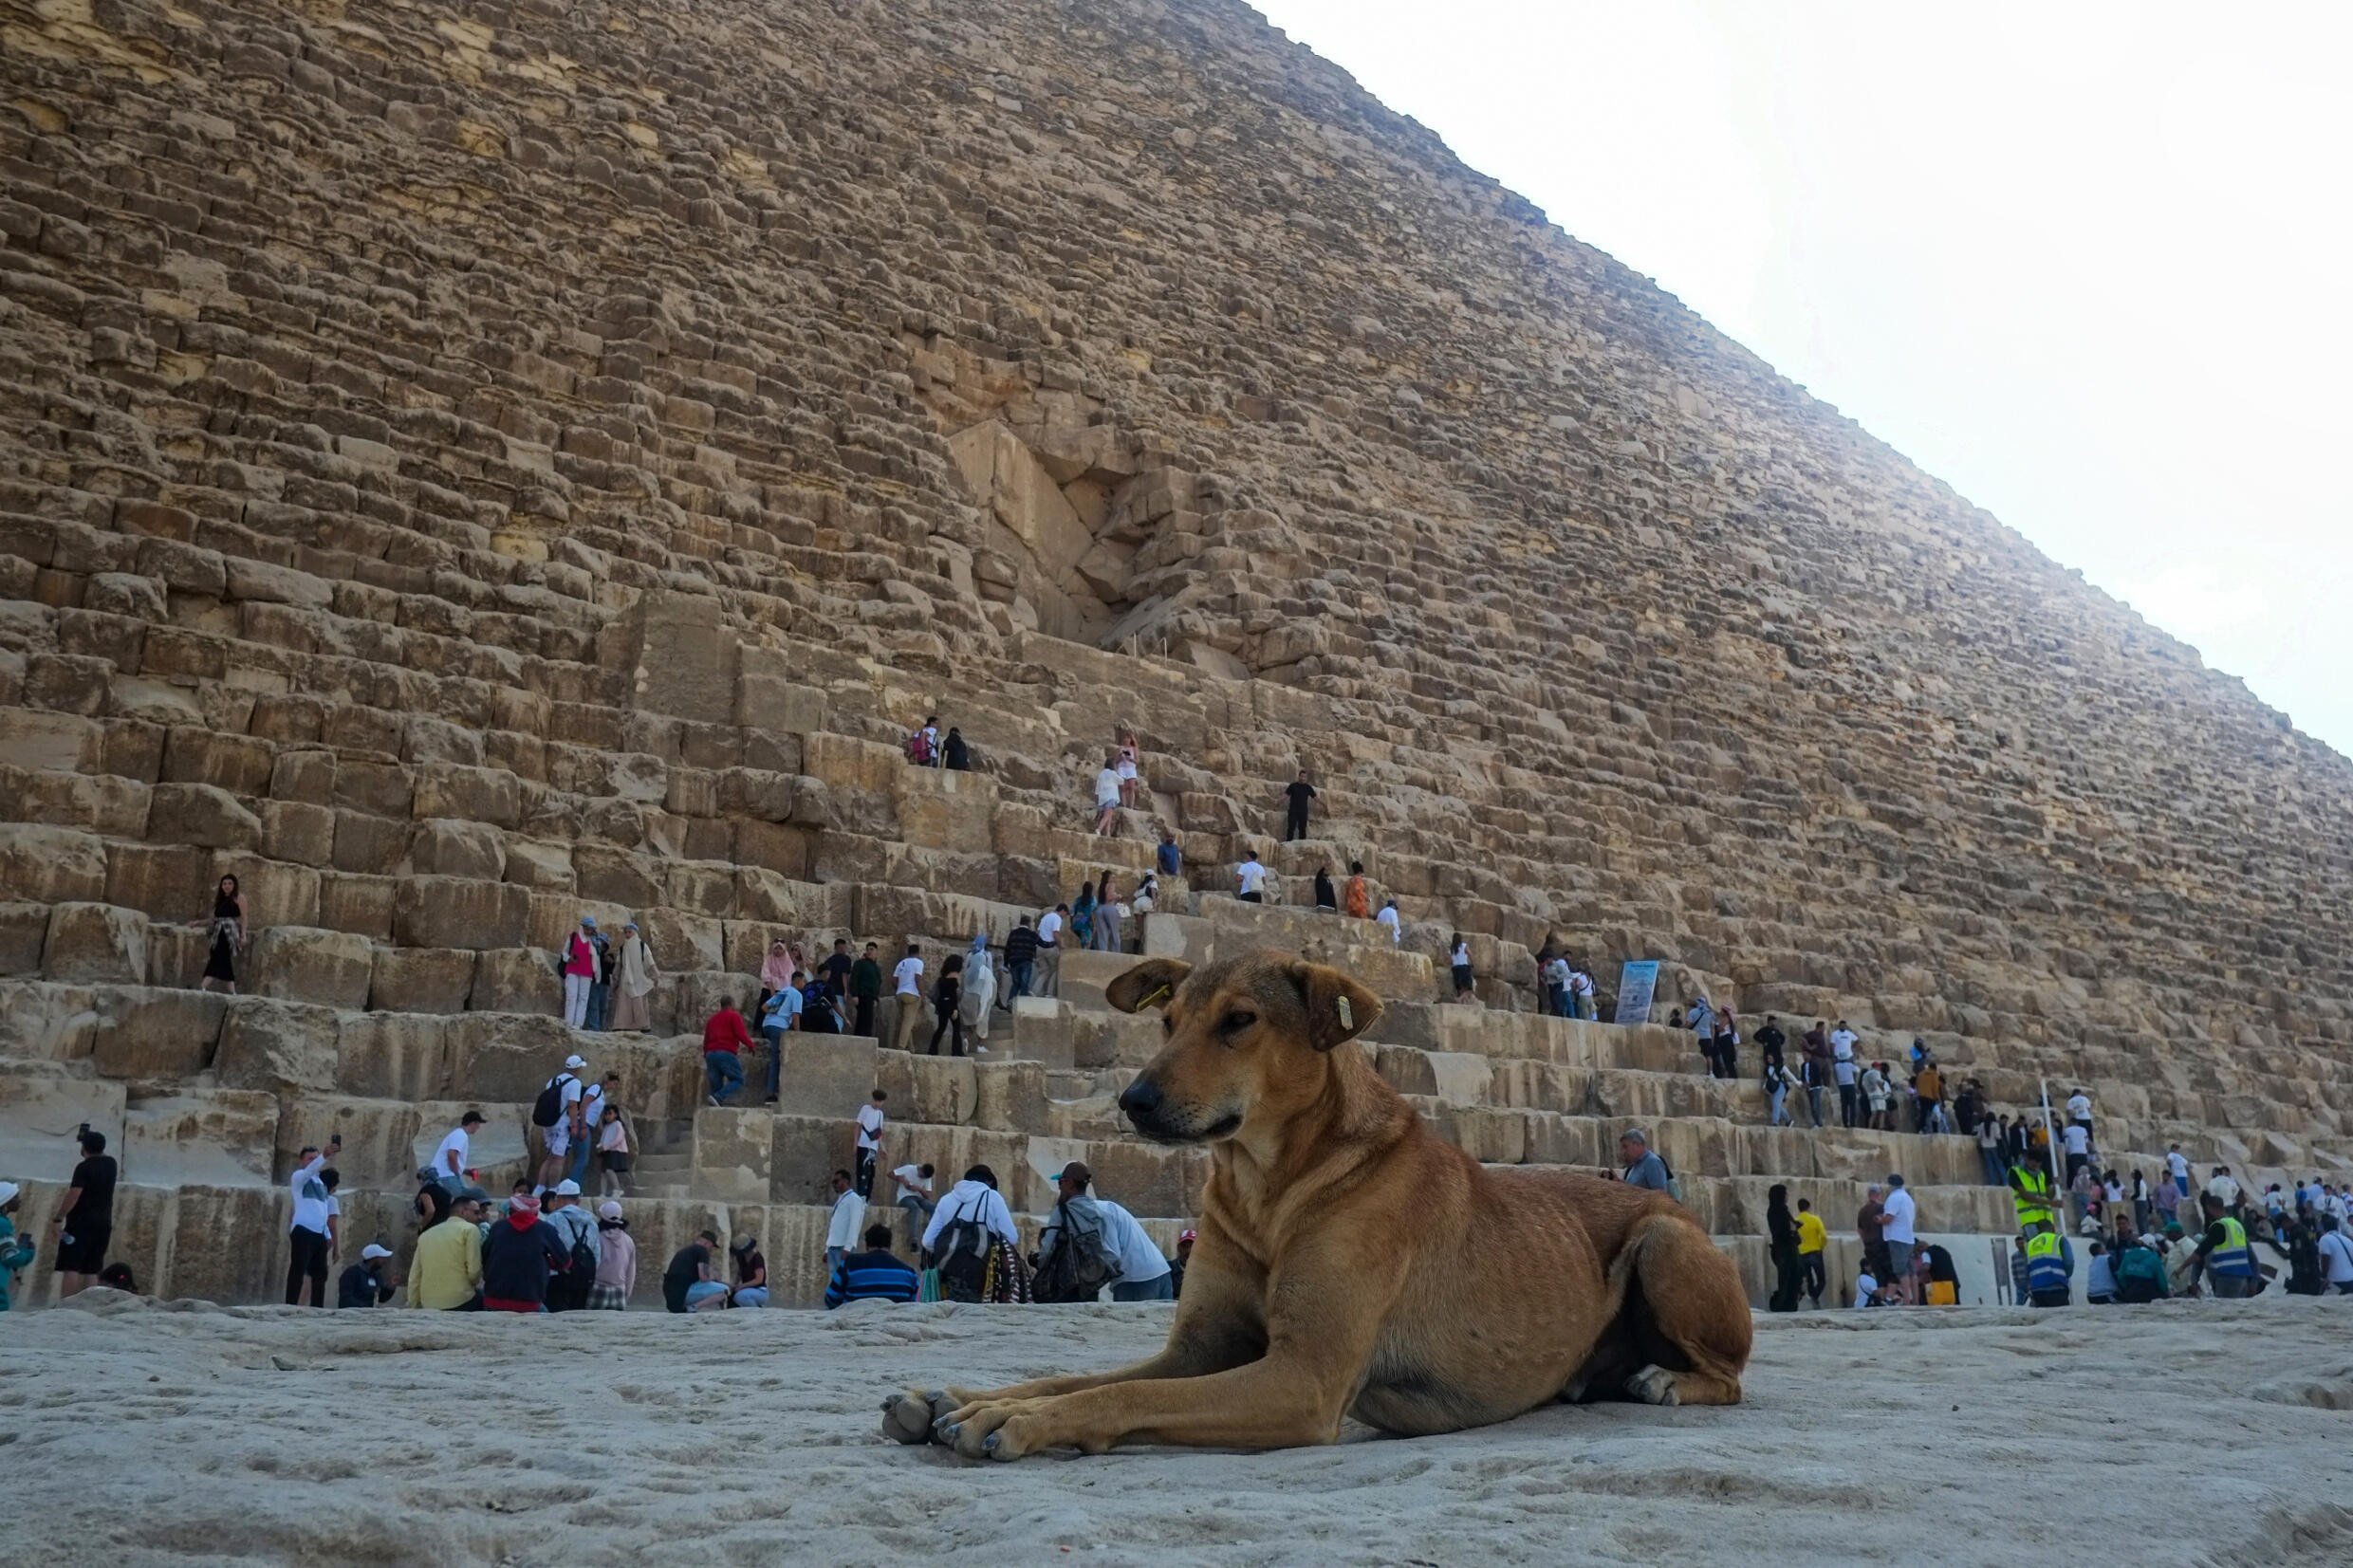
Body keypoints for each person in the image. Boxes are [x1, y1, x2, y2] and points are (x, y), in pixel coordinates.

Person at [920, 1165, 1021, 1301]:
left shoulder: (946, 1199)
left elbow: (928, 1241)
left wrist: (952, 1249)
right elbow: (1012, 1238)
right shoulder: (992, 1197)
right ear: (990, 1182)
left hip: (949, 1270)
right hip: (982, 1271)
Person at [52, 1126, 118, 1299]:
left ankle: (66, 1304)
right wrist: (88, 1138)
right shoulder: (111, 1164)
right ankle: (90, 1305)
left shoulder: (83, 1168)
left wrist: (58, 1218)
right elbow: (99, 1156)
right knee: (92, 1267)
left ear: (84, 1148)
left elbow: (74, 1194)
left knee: (72, 1266)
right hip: (103, 1223)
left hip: (80, 1223)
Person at [481, 1191, 570, 1313]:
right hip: (530, 1301)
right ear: (536, 1212)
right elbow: (565, 1262)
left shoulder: (497, 1228)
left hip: (493, 1299)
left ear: (511, 1210)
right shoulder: (546, 1230)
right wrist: (546, 1262)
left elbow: (484, 1256)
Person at [285, 1135, 343, 1307]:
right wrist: (324, 1156)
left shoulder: (321, 1184)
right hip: (303, 1229)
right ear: (302, 1161)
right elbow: (310, 1171)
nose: (313, 1161)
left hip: (318, 1232)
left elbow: (323, 1211)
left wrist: (327, 1234)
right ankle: (290, 1305)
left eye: (315, 1158)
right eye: (310, 1158)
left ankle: (317, 1308)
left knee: (320, 1274)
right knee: (298, 1269)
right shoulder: (299, 1177)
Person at [407, 1186, 488, 1309]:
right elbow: (473, 1273)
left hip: (429, 1303)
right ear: (462, 1212)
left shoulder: (426, 1235)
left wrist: (415, 1305)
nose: (480, 1217)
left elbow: (414, 1277)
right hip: (461, 1301)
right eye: (476, 1212)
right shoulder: (470, 1230)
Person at [825, 1224, 919, 1307]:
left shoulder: (850, 1263)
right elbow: (912, 1304)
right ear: (889, 1246)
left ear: (867, 1246)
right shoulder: (909, 1272)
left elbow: (831, 1299)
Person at [542, 1181, 601, 1312]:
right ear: (578, 1201)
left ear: (559, 1198)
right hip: (584, 1278)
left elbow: (547, 1249)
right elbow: (597, 1254)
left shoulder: (553, 1219)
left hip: (558, 1278)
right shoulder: (592, 1223)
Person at [2193, 1193, 2260, 1299]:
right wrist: (2254, 1282)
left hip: (2225, 1280)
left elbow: (2198, 1259)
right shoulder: (2237, 1228)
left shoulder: (2215, 1231)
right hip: (2242, 1279)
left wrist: (2194, 1281)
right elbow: (2253, 1259)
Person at [535, 1053, 586, 1190]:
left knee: (550, 1158)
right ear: (577, 1069)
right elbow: (572, 1105)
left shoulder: (552, 1081)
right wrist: (575, 1125)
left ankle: (539, 1189)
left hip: (549, 1122)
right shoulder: (575, 1083)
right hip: (563, 1124)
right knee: (559, 1159)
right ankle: (553, 1189)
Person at [197, 872, 248, 994]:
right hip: (217, 933)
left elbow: (245, 917)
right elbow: (213, 919)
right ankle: (232, 992)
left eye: (230, 883)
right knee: (222, 959)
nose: (227, 886)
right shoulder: (220, 900)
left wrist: (243, 935)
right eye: (224, 883)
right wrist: (197, 923)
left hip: (229, 933)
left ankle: (203, 986)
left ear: (234, 885)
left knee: (218, 957)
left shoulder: (239, 898)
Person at [760, 973, 804, 1102]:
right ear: (799, 981)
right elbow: (795, 1016)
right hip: (778, 1028)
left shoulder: (782, 992)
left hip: (767, 1025)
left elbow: (764, 1007)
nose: (804, 984)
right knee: (776, 1060)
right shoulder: (797, 994)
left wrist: (775, 1015)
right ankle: (771, 1093)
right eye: (803, 982)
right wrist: (799, 1033)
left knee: (775, 1057)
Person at [607, 920, 657, 1032]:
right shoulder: (622, 948)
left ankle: (643, 1027)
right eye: (626, 932)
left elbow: (650, 963)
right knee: (623, 1004)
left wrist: (655, 977)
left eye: (630, 932)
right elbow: (619, 965)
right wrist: (615, 979)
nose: (627, 934)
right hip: (625, 980)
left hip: (639, 979)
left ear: (635, 933)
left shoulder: (643, 946)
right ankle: (621, 1026)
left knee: (639, 1003)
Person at [663, 1229, 729, 1313]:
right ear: (707, 1243)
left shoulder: (684, 1250)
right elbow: (704, 1277)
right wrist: (714, 1277)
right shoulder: (702, 1250)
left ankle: (686, 1307)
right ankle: (692, 1308)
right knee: (725, 1290)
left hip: (671, 1296)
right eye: (712, 1246)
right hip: (683, 1293)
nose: (711, 1249)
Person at [702, 998, 751, 1105]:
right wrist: (750, 1045)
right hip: (725, 1052)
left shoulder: (712, 1019)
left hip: (711, 1054)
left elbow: (706, 1039)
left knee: (716, 1086)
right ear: (731, 1004)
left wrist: (706, 1053)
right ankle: (719, 1096)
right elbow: (741, 1034)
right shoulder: (734, 1016)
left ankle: (714, 1107)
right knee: (738, 1079)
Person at [1880, 1174, 1918, 1305]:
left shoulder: (1894, 1198)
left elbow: (1889, 1218)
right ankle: (1915, 1301)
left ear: (1890, 1185)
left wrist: (1880, 1220)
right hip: (1908, 1238)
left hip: (1897, 1237)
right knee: (1912, 1271)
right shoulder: (1908, 1198)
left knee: (1901, 1271)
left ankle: (1907, 1302)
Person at [590, 1202, 635, 1309]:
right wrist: (627, 1293)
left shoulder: (596, 1237)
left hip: (597, 1288)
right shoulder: (628, 1240)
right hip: (619, 1289)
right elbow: (631, 1270)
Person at [0, 1182, 36, 1312]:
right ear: (6, 1202)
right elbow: (11, 1257)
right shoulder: (2, 1224)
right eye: (16, 1197)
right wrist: (28, 1252)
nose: (19, 1201)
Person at [561, 915, 601, 1029]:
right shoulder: (573, 936)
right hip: (572, 970)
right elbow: (564, 952)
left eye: (591, 929)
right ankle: (568, 1023)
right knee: (571, 996)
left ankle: (578, 1024)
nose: (589, 931)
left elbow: (595, 960)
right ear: (582, 927)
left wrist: (597, 976)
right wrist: (569, 959)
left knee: (583, 998)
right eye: (587, 929)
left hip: (586, 972)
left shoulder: (594, 941)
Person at [429, 1111, 482, 1194]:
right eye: (478, 1124)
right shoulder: (461, 1135)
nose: (478, 1127)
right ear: (473, 1123)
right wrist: (457, 1174)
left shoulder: (457, 1134)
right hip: (447, 1176)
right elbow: (451, 1154)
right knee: (465, 1202)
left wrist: (464, 1171)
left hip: (440, 1175)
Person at [960, 932, 999, 1045]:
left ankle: (967, 1037)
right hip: (984, 990)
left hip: (971, 989)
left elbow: (964, 972)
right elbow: (990, 971)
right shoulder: (987, 955)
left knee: (971, 1016)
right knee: (983, 1016)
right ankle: (980, 1044)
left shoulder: (970, 955)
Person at [1767, 1185, 1801, 1313]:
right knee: (1788, 1278)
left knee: (1791, 1276)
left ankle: (1787, 1304)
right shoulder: (1779, 1211)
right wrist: (1793, 1230)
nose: (1788, 1196)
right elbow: (1784, 1230)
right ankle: (1784, 1305)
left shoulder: (1778, 1210)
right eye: (1786, 1194)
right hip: (1785, 1249)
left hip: (1784, 1248)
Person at [825, 1169, 864, 1275]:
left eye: (836, 1181)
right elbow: (833, 1226)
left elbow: (854, 1225)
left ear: (845, 1181)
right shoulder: (840, 1199)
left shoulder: (854, 1199)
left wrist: (848, 1248)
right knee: (833, 1281)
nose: (834, 1185)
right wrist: (827, 1249)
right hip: (833, 1247)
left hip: (843, 1248)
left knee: (844, 1280)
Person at [337, 1243, 397, 1308]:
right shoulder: (352, 1273)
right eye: (382, 1258)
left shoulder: (376, 1275)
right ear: (374, 1258)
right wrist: (365, 1307)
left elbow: (381, 1298)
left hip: (369, 1314)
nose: (384, 1260)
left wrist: (392, 1286)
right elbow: (346, 1299)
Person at [2024, 1228, 2073, 1307]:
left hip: (2037, 1290)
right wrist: (2066, 1275)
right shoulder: (2059, 1239)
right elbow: (2069, 1261)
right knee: (2062, 1317)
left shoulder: (2030, 1244)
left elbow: (2027, 1268)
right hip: (2056, 1285)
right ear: (2053, 1228)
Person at [890, 943, 925, 1053]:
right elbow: (918, 978)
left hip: (900, 994)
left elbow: (894, 980)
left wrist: (899, 988)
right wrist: (923, 995)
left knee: (906, 1022)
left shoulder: (901, 963)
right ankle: (901, 1047)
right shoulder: (919, 963)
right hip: (912, 994)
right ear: (918, 952)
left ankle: (911, 1049)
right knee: (908, 1022)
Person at [891, 1161, 936, 1245]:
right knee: (915, 1208)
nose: (923, 1179)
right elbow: (890, 1174)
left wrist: (919, 1189)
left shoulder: (927, 1177)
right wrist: (902, 1180)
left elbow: (927, 1195)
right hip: (905, 1197)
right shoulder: (909, 1168)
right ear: (920, 1169)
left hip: (919, 1198)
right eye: (922, 1176)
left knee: (933, 1207)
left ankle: (932, 1235)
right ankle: (914, 1239)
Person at [595, 1101, 633, 1197]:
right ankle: (602, 1193)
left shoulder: (617, 1124)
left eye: (610, 1113)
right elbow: (603, 1138)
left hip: (616, 1151)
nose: (607, 1116)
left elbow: (619, 1138)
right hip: (608, 1151)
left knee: (609, 1170)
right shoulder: (607, 1126)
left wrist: (607, 1146)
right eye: (606, 1114)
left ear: (615, 1114)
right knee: (603, 1173)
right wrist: (600, 1146)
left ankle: (617, 1189)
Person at [1795, 1198, 1827, 1308]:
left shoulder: (1796, 1221)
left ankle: (1812, 1297)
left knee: (1809, 1280)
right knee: (1821, 1280)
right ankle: (1814, 1297)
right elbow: (1823, 1236)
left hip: (1802, 1252)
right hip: (1815, 1251)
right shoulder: (1815, 1219)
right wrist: (1821, 1246)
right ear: (1808, 1207)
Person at [1619, 1129, 1672, 1193]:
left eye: (1625, 1147)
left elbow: (1660, 1194)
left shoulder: (1652, 1162)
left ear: (1637, 1144)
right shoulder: (1635, 1165)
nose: (1624, 1151)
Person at [1857, 1187, 1891, 1285]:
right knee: (1889, 1275)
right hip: (1880, 1245)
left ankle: (1880, 1297)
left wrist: (1865, 1241)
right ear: (1878, 1195)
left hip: (1868, 1246)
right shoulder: (1881, 1207)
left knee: (1878, 1274)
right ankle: (1887, 1298)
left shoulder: (1862, 1210)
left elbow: (1860, 1229)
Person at [855, 1092, 886, 1197]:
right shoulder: (865, 1109)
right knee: (862, 1172)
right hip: (863, 1145)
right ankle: (861, 1196)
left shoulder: (880, 1114)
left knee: (870, 1174)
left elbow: (879, 1133)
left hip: (873, 1148)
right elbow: (858, 1125)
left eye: (880, 1101)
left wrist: (882, 1149)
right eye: (876, 1100)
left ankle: (867, 1198)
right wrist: (855, 1143)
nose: (877, 1103)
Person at [1829, 1021, 1860, 1127]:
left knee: (1844, 1104)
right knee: (1851, 1104)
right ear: (1839, 1026)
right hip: (1844, 1058)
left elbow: (1857, 1040)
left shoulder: (1849, 1033)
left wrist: (1851, 1048)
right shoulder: (1835, 1034)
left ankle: (1846, 1123)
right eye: (1842, 1025)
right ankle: (1852, 1123)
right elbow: (1832, 1044)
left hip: (1844, 1059)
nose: (1843, 1027)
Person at [848, 941, 882, 1037]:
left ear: (876, 951)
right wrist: (854, 995)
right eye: (867, 949)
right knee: (863, 1019)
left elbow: (878, 982)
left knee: (868, 1020)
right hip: (862, 995)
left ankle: (865, 1038)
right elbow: (854, 979)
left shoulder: (876, 967)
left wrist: (876, 997)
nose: (869, 951)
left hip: (871, 997)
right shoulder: (860, 963)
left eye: (871, 949)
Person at [1801, 1023, 1831, 1127]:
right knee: (1814, 1105)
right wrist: (1809, 1047)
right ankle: (1818, 1123)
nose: (1824, 1029)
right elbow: (1803, 1038)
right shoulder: (1812, 1034)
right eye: (1823, 1027)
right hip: (1817, 1057)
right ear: (1819, 1027)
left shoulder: (1822, 1035)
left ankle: (1826, 1086)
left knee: (1827, 1072)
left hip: (1824, 1058)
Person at [728, 1235, 769, 1308]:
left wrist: (741, 1286)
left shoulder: (757, 1258)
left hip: (760, 1291)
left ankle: (757, 1313)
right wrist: (734, 1285)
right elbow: (739, 1273)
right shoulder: (741, 1258)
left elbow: (759, 1280)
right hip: (747, 1290)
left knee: (740, 1296)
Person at [1004, 917, 1038, 1001]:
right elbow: (1042, 944)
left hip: (1014, 962)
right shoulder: (1032, 934)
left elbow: (1007, 949)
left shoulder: (1013, 933)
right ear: (1028, 924)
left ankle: (1010, 1002)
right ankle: (1022, 1004)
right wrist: (1052, 944)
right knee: (1024, 984)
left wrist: (1005, 963)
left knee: (1016, 983)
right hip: (1026, 961)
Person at [2319, 1214, 2353, 1297]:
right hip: (2351, 1279)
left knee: (2326, 1305)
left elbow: (2325, 1258)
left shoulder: (2325, 1239)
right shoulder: (2347, 1240)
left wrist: (2323, 1277)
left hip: (2336, 1281)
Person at [1035, 906, 1065, 997]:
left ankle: (1034, 991)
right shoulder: (1057, 918)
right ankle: (1049, 993)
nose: (1064, 916)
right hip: (1050, 948)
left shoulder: (1046, 917)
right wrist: (1061, 946)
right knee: (1055, 969)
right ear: (1063, 910)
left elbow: (1038, 931)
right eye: (1065, 914)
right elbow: (1055, 933)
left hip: (1039, 948)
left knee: (1044, 971)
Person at [758, 938, 793, 1015]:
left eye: (780, 948)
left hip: (783, 991)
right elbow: (765, 975)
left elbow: (791, 977)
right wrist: (772, 990)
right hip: (769, 990)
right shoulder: (768, 959)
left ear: (784, 950)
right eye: (776, 948)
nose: (778, 950)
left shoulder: (788, 962)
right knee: (764, 1013)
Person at [1093, 754, 1122, 835]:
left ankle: (1107, 834)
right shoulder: (1113, 773)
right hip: (1111, 797)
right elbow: (1121, 781)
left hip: (1103, 798)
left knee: (1109, 816)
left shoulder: (1101, 774)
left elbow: (1097, 788)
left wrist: (1097, 797)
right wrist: (1117, 772)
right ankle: (1098, 829)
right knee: (1107, 816)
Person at [1282, 769, 1315, 840]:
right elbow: (1286, 795)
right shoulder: (1293, 786)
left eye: (1304, 777)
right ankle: (1288, 844)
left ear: (1306, 778)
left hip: (1303, 811)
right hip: (1293, 810)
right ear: (1299, 776)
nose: (1303, 778)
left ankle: (1302, 846)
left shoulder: (1308, 788)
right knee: (1291, 827)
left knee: (1302, 829)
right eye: (1302, 776)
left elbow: (1315, 797)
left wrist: (1324, 804)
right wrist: (1277, 801)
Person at [1170, 1229, 1195, 1298]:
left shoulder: (1204, 1271)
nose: (1188, 1251)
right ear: (1178, 1248)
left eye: (1192, 1246)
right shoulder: (1169, 1269)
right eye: (1185, 1246)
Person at [1450, 933, 1474, 1002]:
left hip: (1455, 969)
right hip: (1463, 968)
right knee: (1469, 989)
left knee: (1460, 988)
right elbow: (1470, 954)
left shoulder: (1451, 948)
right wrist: (1472, 963)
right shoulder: (1464, 946)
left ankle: (1461, 1002)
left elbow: (1451, 960)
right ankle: (1459, 999)